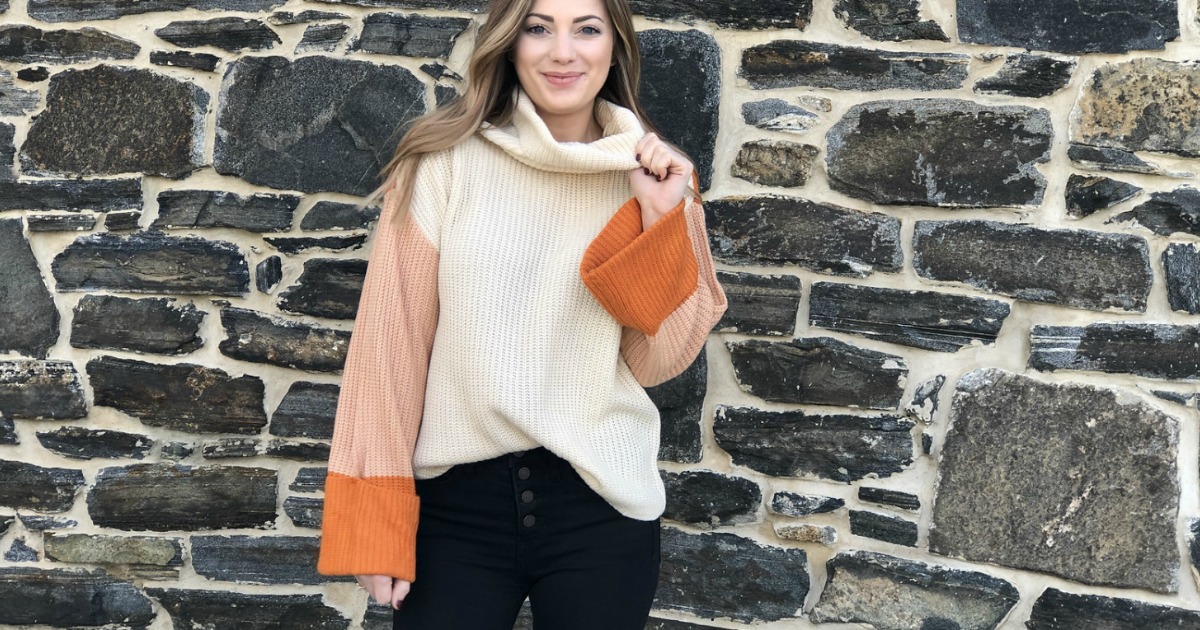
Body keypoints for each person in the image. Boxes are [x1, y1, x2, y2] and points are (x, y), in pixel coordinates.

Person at [316, 0, 727, 626]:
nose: (563, 52)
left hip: (599, 506)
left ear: (614, 47)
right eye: (538, 28)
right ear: (510, 43)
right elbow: (389, 348)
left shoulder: (656, 178)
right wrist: (379, 522)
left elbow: (658, 360)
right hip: (456, 509)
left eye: (586, 29)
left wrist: (660, 218)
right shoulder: (443, 163)